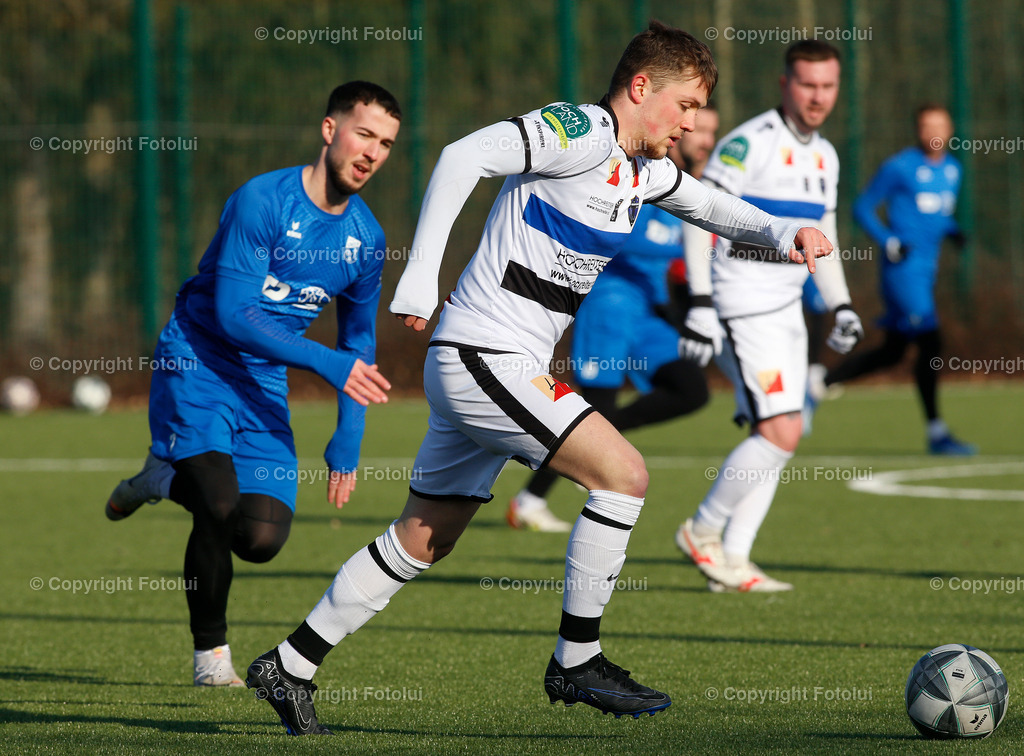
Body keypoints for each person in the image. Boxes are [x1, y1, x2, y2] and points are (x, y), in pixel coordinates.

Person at [245, 22, 835, 736]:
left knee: (424, 537)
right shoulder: (583, 130)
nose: (690, 124)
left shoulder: (642, 168)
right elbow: (465, 157)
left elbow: (711, 207)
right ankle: (576, 660)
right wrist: (421, 277)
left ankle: (291, 663)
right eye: (684, 106)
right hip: (481, 355)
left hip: (499, 364)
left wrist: (784, 235)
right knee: (623, 474)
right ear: (641, 88)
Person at [104, 82, 400, 686]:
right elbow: (237, 313)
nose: (372, 152)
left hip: (262, 377)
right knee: (215, 502)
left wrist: (350, 435)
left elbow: (358, 346)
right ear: (329, 131)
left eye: (387, 144)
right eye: (364, 134)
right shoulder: (263, 201)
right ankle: (211, 658)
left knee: (260, 537)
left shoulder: (366, 241)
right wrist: (324, 363)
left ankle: (161, 476)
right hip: (199, 358)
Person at [675, 40, 863, 593]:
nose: (818, 96)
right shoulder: (748, 144)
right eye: (808, 84)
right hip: (741, 307)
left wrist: (841, 304)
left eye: (828, 86)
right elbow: (698, 214)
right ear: (785, 84)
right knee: (781, 429)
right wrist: (703, 302)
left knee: (783, 430)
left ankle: (733, 560)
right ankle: (701, 531)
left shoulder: (825, 156)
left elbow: (821, 234)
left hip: (786, 310)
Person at [507, 104, 720, 532]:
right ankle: (529, 501)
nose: (704, 138)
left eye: (711, 131)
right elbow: (622, 239)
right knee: (596, 404)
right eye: (697, 129)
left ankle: (590, 444)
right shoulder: (644, 174)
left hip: (652, 313)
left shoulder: (694, 189)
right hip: (610, 304)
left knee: (691, 388)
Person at [815, 104, 975, 455]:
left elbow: (934, 215)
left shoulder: (952, 169)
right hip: (903, 273)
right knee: (931, 343)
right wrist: (888, 241)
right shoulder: (900, 167)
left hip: (926, 272)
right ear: (918, 130)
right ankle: (937, 431)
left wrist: (953, 230)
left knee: (893, 352)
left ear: (950, 130)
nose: (934, 132)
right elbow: (862, 207)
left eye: (940, 125)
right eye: (926, 125)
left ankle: (820, 382)